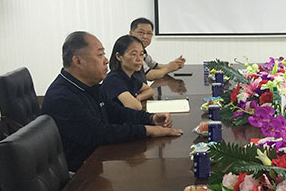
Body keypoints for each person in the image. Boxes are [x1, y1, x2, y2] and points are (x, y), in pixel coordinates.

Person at [42, 31, 182, 171]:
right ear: (78, 61)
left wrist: (151, 118)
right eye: (100, 55)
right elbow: (99, 134)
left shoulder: (91, 86)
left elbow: (116, 112)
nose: (106, 60)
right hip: (79, 173)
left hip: (100, 159)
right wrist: (147, 131)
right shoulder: (62, 97)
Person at [100, 35, 154, 110]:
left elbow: (149, 90)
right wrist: (135, 101)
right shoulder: (113, 79)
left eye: (141, 54)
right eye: (134, 54)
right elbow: (136, 107)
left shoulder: (130, 77)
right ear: (119, 56)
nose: (139, 59)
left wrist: (138, 98)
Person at [129, 17, 186, 84]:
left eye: (149, 33)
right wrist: (168, 68)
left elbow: (155, 66)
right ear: (131, 33)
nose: (145, 36)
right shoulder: (130, 52)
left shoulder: (142, 51)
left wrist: (175, 64)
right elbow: (148, 75)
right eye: (141, 32)